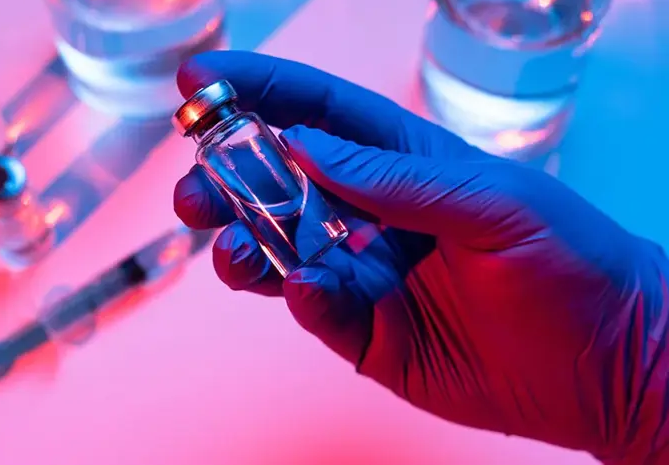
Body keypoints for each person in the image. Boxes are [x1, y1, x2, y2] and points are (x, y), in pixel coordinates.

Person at [172, 51, 669, 464]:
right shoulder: (217, 151)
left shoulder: (246, 130)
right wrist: (642, 393)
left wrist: (640, 371)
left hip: (331, 233)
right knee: (266, 248)